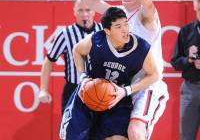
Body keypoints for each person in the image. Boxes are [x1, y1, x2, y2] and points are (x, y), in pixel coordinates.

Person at [65, 0, 169, 140]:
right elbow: (93, 1)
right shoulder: (118, 13)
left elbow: (149, 6)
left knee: (135, 132)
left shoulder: (146, 18)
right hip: (123, 87)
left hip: (148, 85)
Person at [60, 7, 159, 140]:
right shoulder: (96, 40)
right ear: (107, 31)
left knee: (118, 138)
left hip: (117, 97)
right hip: (89, 93)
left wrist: (126, 91)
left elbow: (154, 75)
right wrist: (83, 77)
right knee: (71, 137)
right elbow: (77, 50)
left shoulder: (141, 47)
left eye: (126, 24)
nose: (125, 30)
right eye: (118, 26)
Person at [38, 0, 102, 113]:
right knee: (69, 129)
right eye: (80, 10)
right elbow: (49, 60)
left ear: (94, 11)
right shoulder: (65, 34)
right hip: (74, 89)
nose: (84, 14)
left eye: (88, 10)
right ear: (74, 11)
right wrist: (43, 89)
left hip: (100, 89)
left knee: (100, 129)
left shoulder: (103, 31)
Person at [170, 0, 200, 140]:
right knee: (186, 137)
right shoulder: (186, 31)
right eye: (199, 1)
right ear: (194, 4)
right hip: (191, 89)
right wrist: (189, 60)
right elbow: (175, 62)